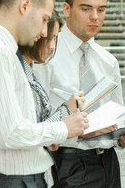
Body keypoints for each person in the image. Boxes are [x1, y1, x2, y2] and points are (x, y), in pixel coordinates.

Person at [0, 0, 89, 188]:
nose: (45, 32)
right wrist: (63, 128)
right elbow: (9, 134)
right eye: (45, 19)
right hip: (14, 179)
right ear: (24, 5)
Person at [34, 0, 125, 188]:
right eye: (86, 9)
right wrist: (77, 133)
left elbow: (117, 116)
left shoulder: (108, 61)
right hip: (66, 162)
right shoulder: (46, 55)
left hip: (108, 162)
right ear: (66, 8)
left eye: (101, 9)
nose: (95, 17)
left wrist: (123, 137)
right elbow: (35, 123)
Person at [19, 10, 87, 186]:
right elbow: (31, 130)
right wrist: (66, 113)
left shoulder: (30, 72)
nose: (52, 46)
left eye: (54, 39)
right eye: (49, 38)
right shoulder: (19, 75)